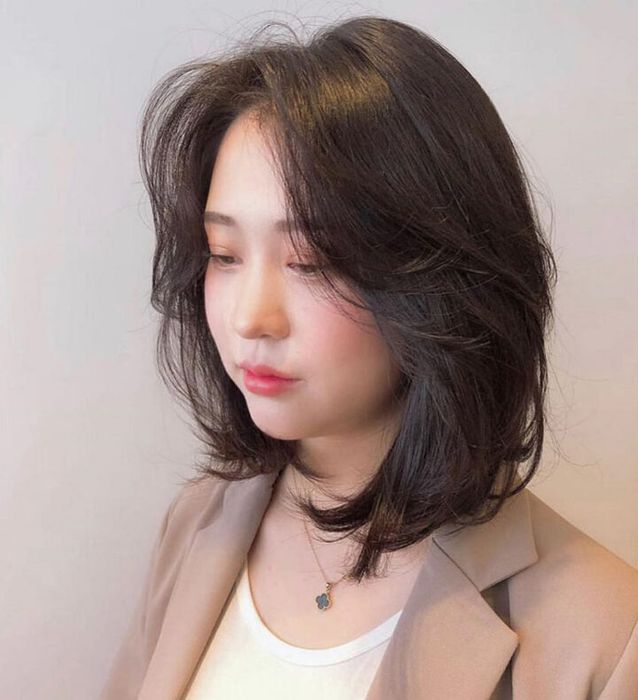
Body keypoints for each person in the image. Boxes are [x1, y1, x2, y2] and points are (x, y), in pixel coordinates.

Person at [100, 15, 638, 700]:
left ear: (441, 286)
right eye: (224, 254)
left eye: (312, 261)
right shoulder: (200, 523)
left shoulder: (604, 634)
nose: (249, 318)